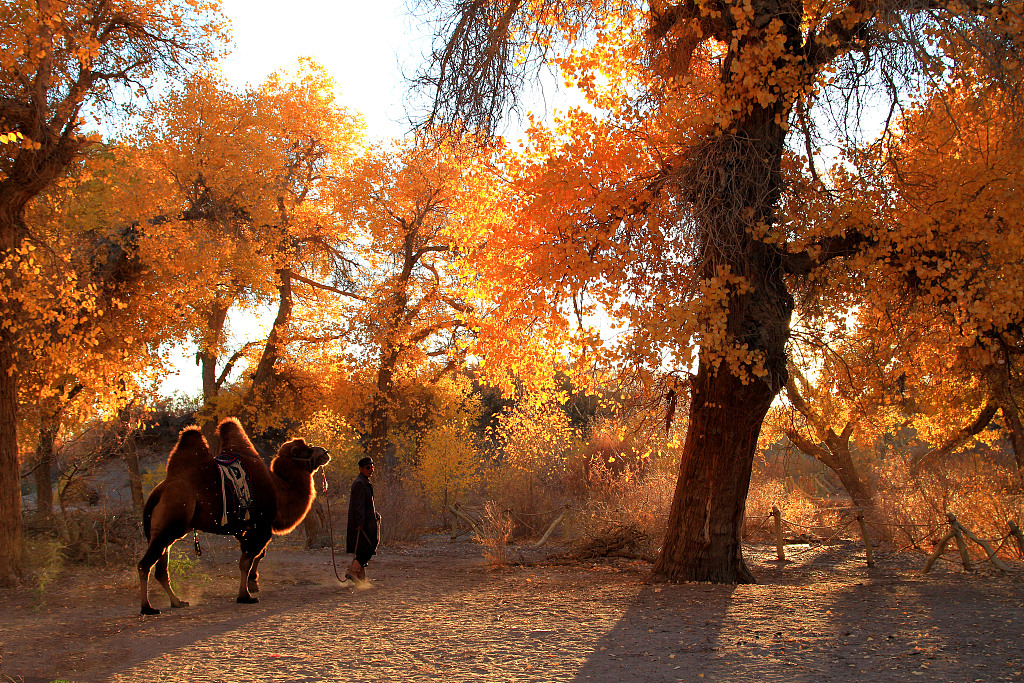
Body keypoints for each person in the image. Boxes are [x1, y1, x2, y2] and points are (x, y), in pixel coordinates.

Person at [346, 456, 380, 583]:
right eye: (367, 468)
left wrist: (373, 513)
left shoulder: (363, 482)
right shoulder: (360, 483)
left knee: (363, 549)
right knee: (368, 547)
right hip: (362, 524)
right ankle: (352, 572)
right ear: (360, 469)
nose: (370, 470)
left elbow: (365, 505)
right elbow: (359, 505)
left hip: (366, 521)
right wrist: (360, 523)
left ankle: (361, 579)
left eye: (372, 468)